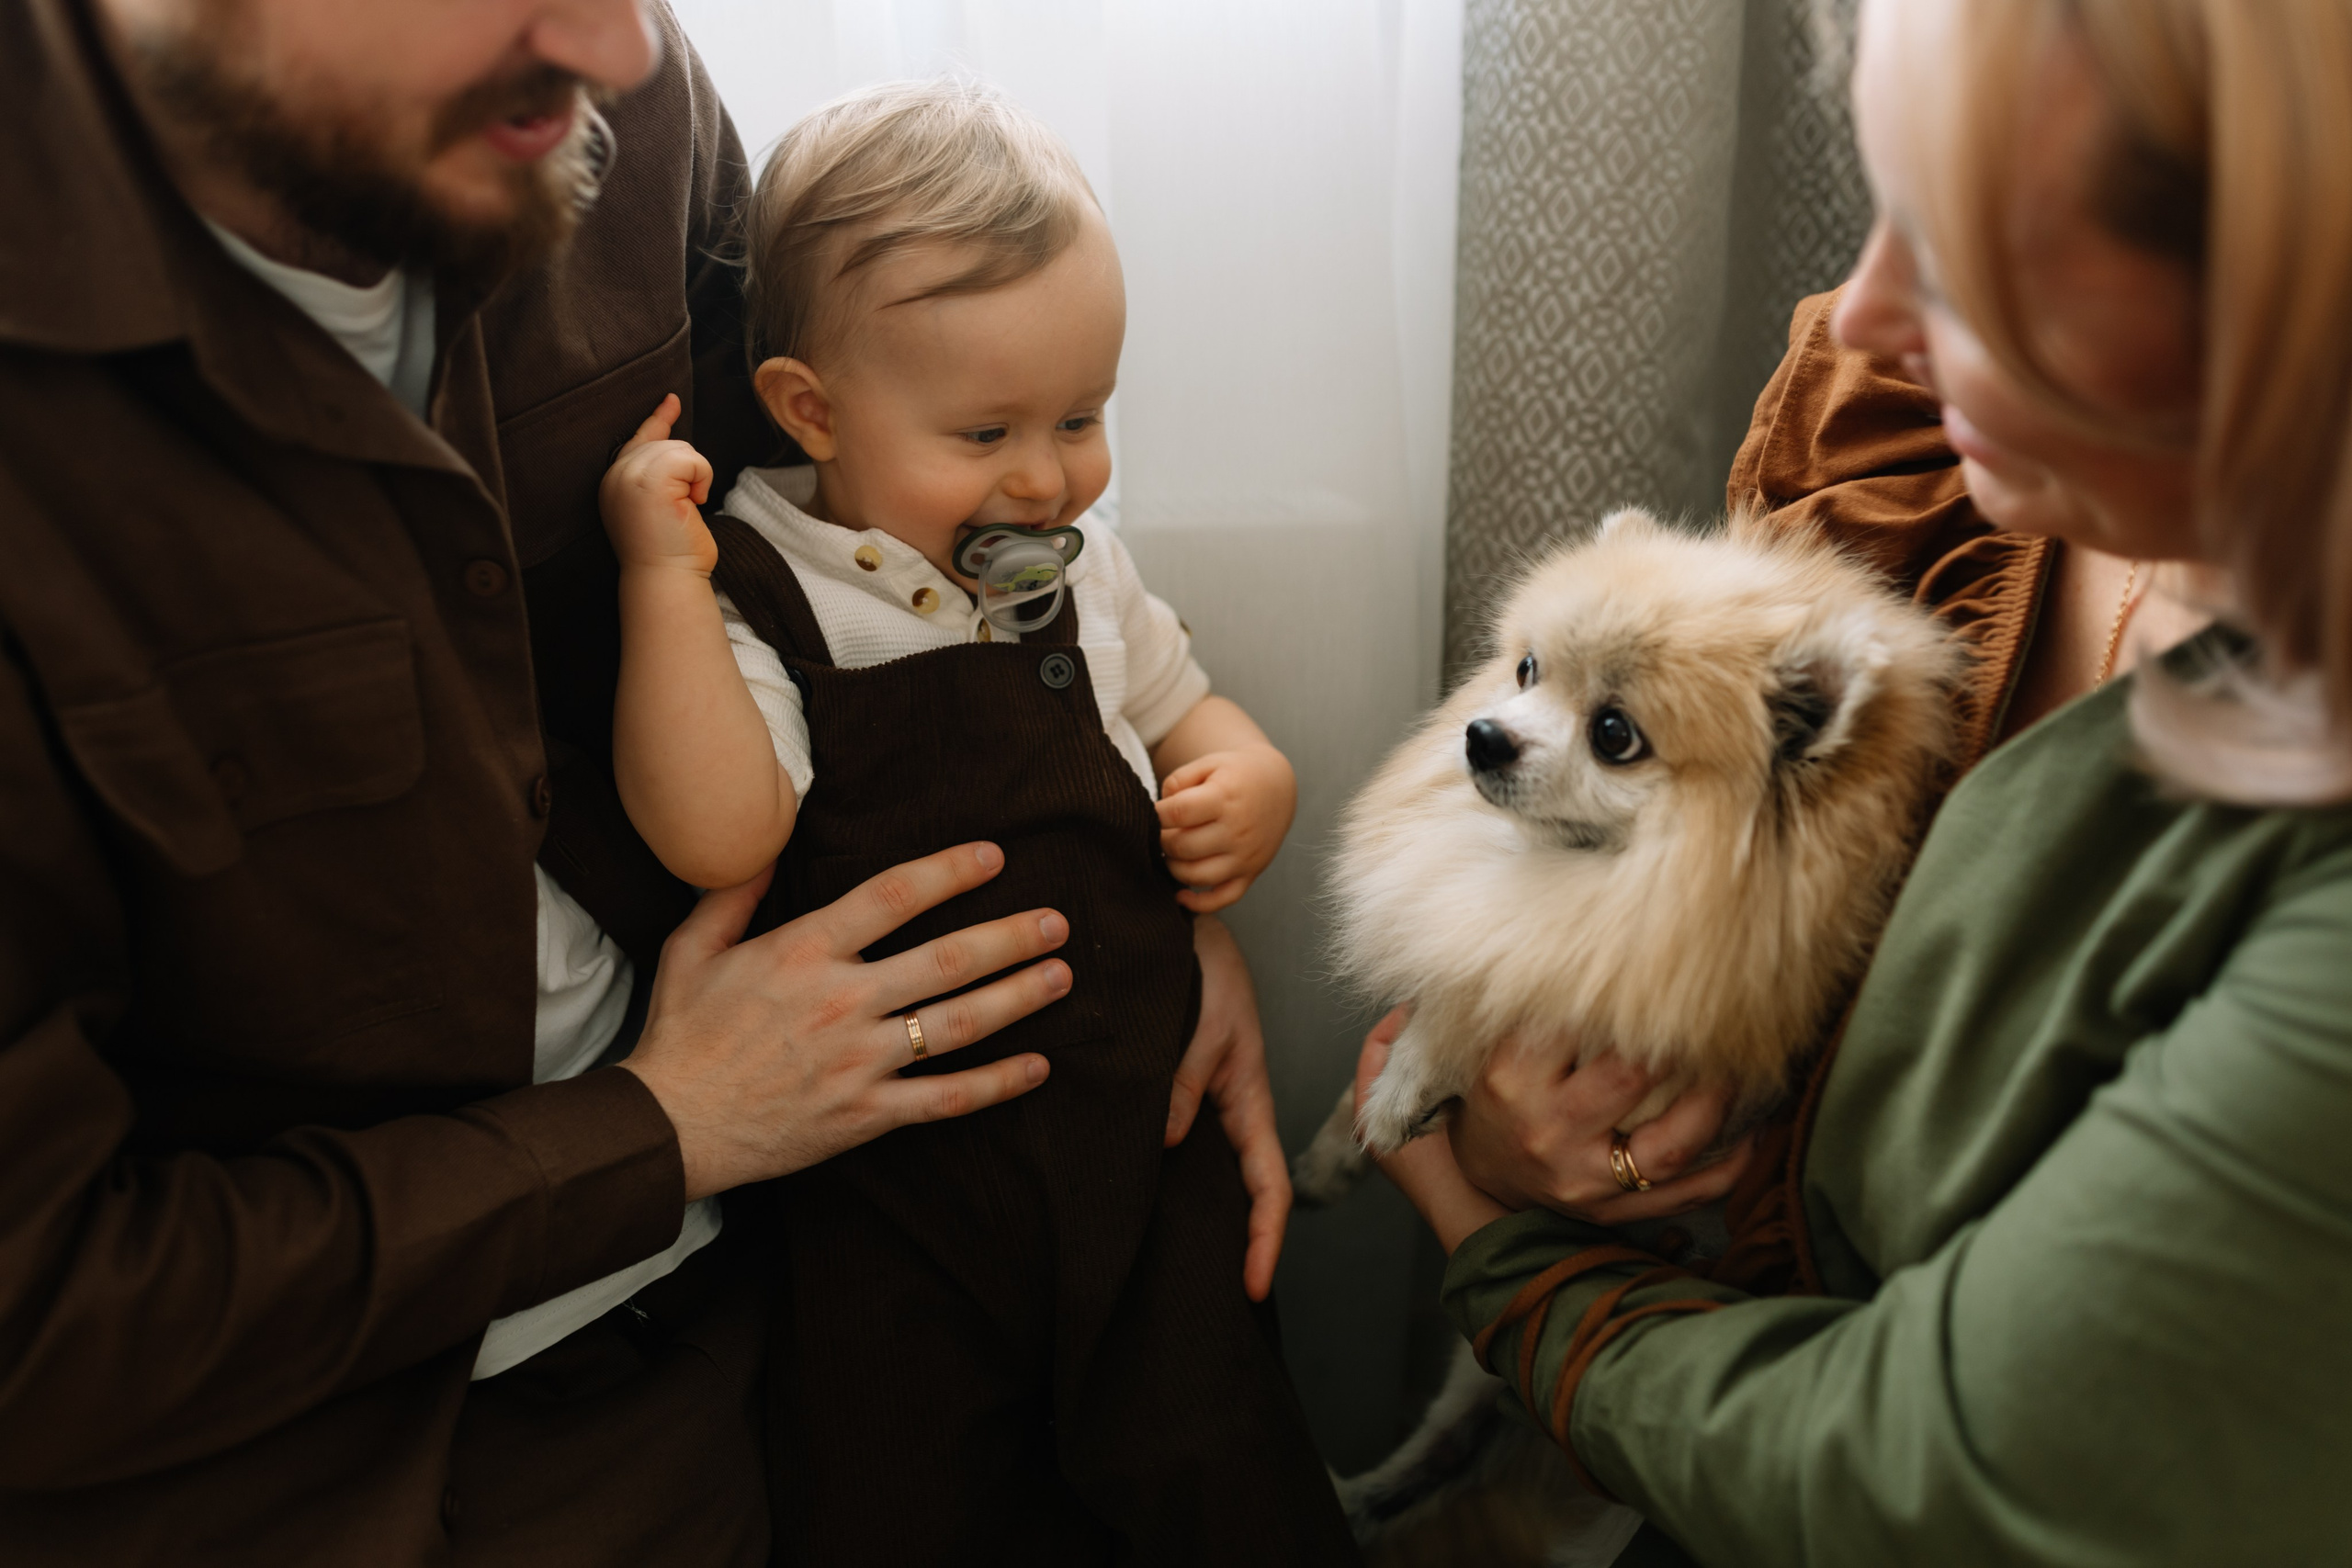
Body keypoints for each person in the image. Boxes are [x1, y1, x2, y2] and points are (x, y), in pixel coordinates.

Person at [0, 3, 1294, 1563]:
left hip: (762, 1255)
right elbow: (46, 1319)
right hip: (304, 1422)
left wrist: (1141, 911)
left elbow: (883, 567)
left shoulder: (614, 109)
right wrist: (662, 1129)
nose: (626, 50)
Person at [1366, 0, 2352, 1562]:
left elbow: (1911, 1474)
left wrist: (1487, 1240)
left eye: (1967, 253)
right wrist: (1492, 1119)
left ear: (2284, 275)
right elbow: (1615, 908)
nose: (1867, 310)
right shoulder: (1935, 459)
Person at [594, 82, 1351, 1564]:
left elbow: (1195, 716)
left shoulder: (1083, 569)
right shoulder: (770, 585)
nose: (1049, 474)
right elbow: (718, 834)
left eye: (1084, 416)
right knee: (905, 1505)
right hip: (892, 1207)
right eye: (988, 428)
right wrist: (659, 588)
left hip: (1143, 1165)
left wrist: (1254, 785)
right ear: (812, 408)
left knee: (1221, 1478)